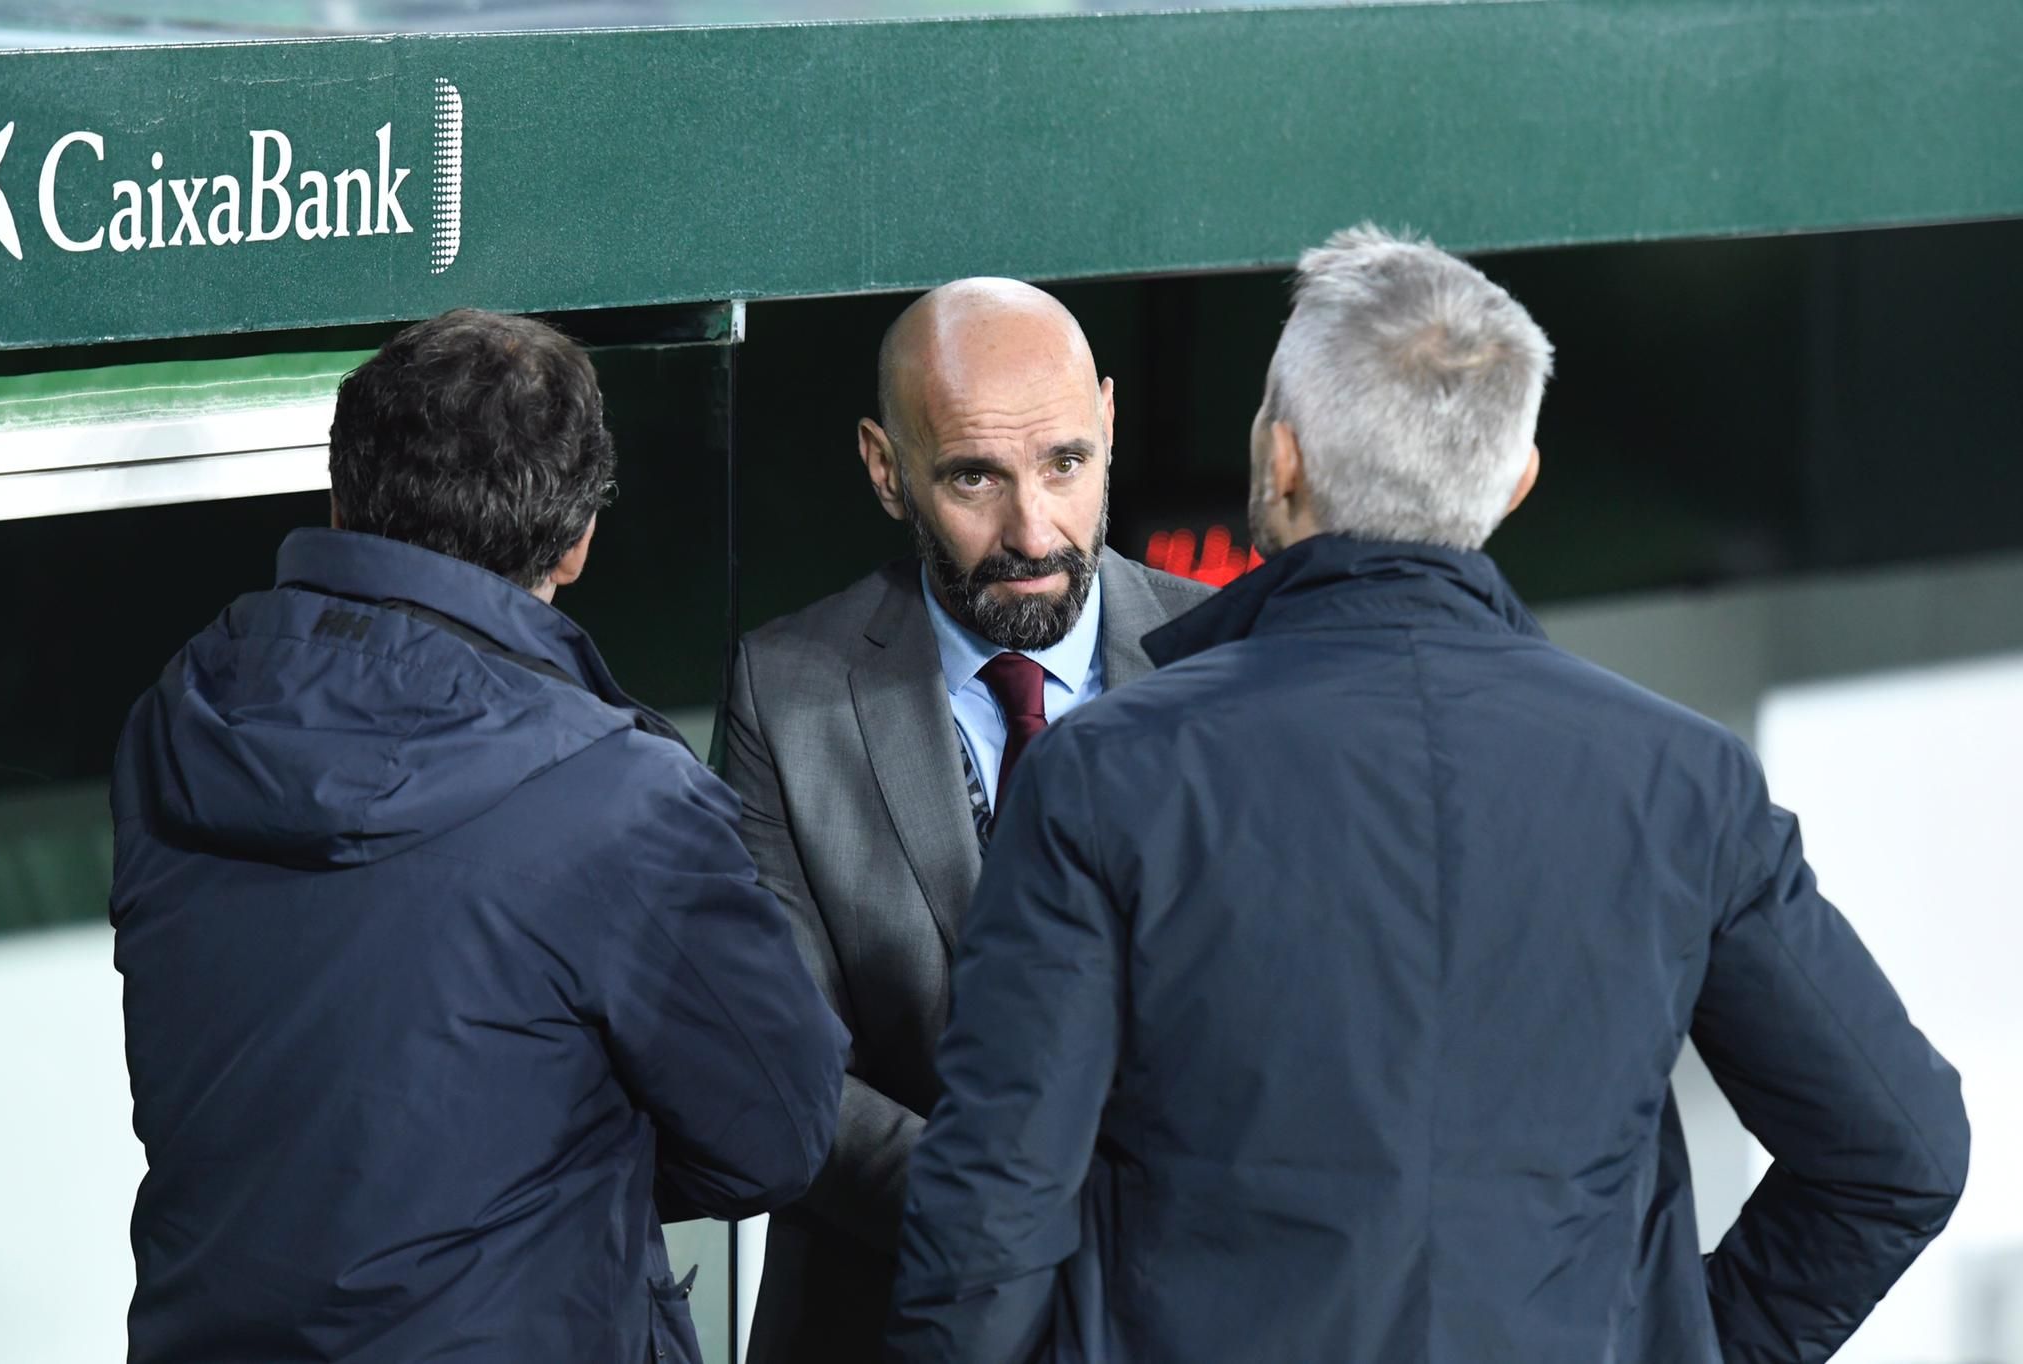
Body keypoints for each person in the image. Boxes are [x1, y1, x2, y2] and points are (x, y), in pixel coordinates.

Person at [890, 227, 1970, 1364]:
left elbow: (986, 1235)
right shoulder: (1683, 782)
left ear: (1282, 458)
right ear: (1516, 480)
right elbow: (1896, 1153)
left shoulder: (1100, 775)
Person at [111, 308, 847, 1364]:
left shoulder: (175, 719)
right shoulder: (618, 798)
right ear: (580, 538)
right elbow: (777, 1132)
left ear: (341, 497)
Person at [724, 278, 1212, 1359]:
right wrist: (1007, 1216)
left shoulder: (1232, 661)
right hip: (888, 1313)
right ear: (883, 467)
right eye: (974, 477)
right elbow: (788, 1066)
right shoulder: (785, 690)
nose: (1031, 528)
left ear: (1109, 426)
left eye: (1065, 464)